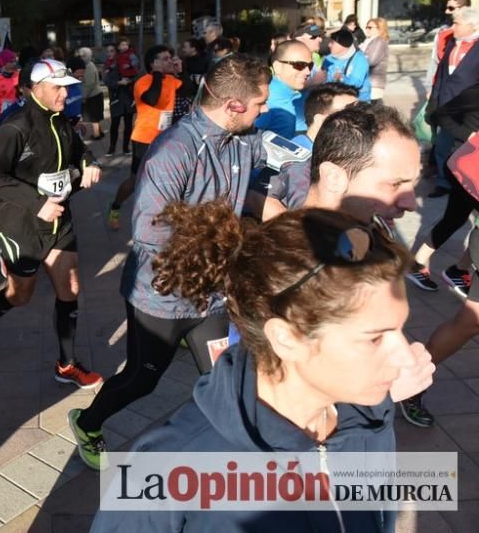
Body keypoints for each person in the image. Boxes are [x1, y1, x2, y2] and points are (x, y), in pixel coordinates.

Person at [91, 203, 433, 533]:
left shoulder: (370, 416)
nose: (405, 356)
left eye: (401, 329)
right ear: (286, 339)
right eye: (375, 338)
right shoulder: (164, 470)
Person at [68, 54, 271, 470]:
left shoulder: (242, 140)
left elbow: (254, 187)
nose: (265, 110)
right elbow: (148, 233)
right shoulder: (174, 150)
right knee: (143, 378)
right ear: (234, 105)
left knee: (222, 374)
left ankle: (232, 455)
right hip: (161, 295)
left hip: (212, 297)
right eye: (260, 104)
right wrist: (218, 250)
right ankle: (88, 422)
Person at [0, 58, 104, 387]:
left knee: (71, 288)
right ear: (35, 89)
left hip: (59, 221)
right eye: (57, 87)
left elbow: (79, 149)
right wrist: (37, 204)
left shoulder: (61, 120)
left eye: (67, 87)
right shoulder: (15, 127)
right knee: (21, 296)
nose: (65, 93)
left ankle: (66, 364)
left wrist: (88, 163)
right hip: (22, 226)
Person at [406, 7, 479, 296]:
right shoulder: (475, 92)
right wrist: (470, 135)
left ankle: (456, 269)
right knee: (456, 216)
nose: (453, 25)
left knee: (459, 216)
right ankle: (449, 268)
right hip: (467, 162)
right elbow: (444, 113)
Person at [249, 83, 361, 221]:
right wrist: (302, 235)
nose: (358, 122)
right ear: (320, 120)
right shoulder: (289, 156)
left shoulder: (336, 157)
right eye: (347, 115)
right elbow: (258, 199)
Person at [106, 45, 183, 230]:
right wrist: (157, 74)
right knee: (135, 180)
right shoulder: (143, 81)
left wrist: (179, 70)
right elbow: (152, 99)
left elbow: (189, 88)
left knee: (165, 178)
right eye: (164, 59)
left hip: (166, 138)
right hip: (145, 138)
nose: (169, 61)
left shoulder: (172, 80)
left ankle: (159, 216)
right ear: (153, 63)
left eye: (169, 58)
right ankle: (115, 207)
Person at [426, 0, 472, 198]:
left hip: (470, 110)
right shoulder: (450, 42)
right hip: (446, 104)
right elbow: (440, 72)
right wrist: (434, 96)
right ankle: (444, 183)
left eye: (458, 22)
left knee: (466, 150)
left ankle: (465, 185)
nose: (454, 27)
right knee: (442, 146)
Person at [254, 40, 314, 138]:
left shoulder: (284, 94)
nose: (307, 72)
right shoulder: (268, 99)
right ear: (277, 67)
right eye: (299, 65)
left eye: (310, 66)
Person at [320, 29, 371, 102]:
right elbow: (322, 80)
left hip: (358, 104)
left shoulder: (360, 59)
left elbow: (356, 83)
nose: (329, 45)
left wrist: (341, 78)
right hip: (333, 102)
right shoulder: (328, 59)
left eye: (332, 42)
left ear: (343, 45)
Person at [77, 47, 105, 139]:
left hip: (93, 95)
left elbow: (89, 84)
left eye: (82, 56)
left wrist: (83, 96)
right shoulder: (89, 64)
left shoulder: (88, 66)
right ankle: (99, 132)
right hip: (94, 94)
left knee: (94, 117)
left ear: (87, 56)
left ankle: (96, 135)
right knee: (95, 116)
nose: (80, 57)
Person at [363, 17, 390, 102]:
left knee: (373, 109)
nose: (367, 29)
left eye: (370, 27)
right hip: (368, 81)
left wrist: (360, 59)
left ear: (379, 28)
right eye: (366, 27)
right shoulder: (368, 41)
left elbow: (372, 60)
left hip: (374, 82)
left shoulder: (380, 41)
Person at [0, 56, 21, 126]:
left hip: (16, 117)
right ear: (3, 63)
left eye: (14, 61)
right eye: (11, 61)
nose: (14, 64)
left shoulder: (19, 76)